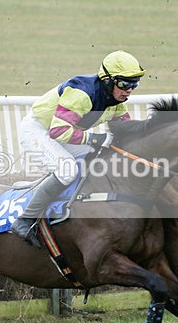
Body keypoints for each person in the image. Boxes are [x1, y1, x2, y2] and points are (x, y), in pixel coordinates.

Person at [10, 50, 145, 247]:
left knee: (97, 157)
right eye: (124, 84)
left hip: (60, 132)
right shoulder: (82, 93)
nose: (129, 90)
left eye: (134, 85)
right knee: (67, 170)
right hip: (38, 130)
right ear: (107, 80)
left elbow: (126, 131)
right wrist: (97, 138)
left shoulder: (115, 101)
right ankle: (25, 219)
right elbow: (58, 131)